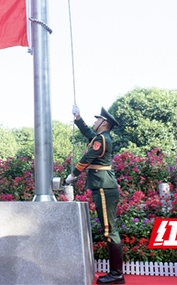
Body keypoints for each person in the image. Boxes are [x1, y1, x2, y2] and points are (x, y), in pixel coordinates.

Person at [67, 106, 125, 285]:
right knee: (109, 229)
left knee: (110, 230)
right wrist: (78, 117)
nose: (94, 122)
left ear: (104, 122)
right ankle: (116, 273)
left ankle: (116, 274)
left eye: (97, 120)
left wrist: (73, 175)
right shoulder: (101, 137)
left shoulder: (102, 139)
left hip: (103, 187)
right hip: (103, 186)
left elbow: (88, 157)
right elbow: (87, 132)